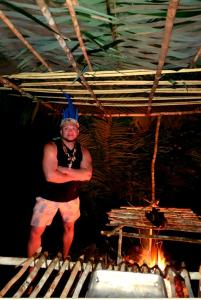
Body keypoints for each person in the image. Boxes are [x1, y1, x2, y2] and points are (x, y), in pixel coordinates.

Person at [27, 94, 92, 259]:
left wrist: (64, 170)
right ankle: (29, 271)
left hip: (71, 198)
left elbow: (88, 175)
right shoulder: (51, 147)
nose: (70, 131)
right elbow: (50, 176)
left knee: (69, 228)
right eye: (66, 128)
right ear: (61, 130)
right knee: (36, 231)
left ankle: (65, 257)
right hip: (47, 197)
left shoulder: (84, 151)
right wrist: (77, 175)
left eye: (73, 128)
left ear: (78, 130)